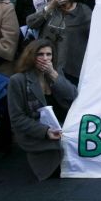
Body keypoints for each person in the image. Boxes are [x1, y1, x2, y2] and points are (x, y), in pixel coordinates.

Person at [8, 39, 78, 180]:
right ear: (31, 56)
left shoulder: (54, 74)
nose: (45, 58)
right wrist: (45, 132)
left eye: (49, 54)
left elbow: (73, 95)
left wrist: (53, 74)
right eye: (40, 54)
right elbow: (17, 118)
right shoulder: (18, 80)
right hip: (39, 132)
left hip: (64, 126)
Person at [26, 0, 91, 85]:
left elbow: (95, 31)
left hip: (74, 66)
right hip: (48, 63)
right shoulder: (47, 6)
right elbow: (31, 23)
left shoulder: (83, 10)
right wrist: (51, 6)